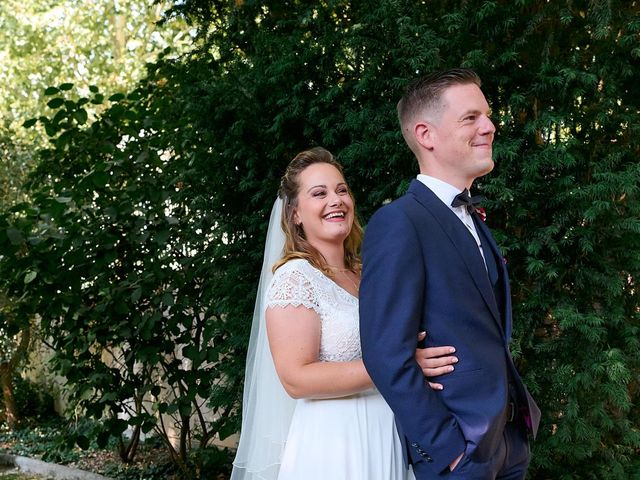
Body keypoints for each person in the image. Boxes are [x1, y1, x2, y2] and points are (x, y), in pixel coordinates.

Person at [231, 147, 459, 480]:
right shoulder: (296, 277)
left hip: (388, 432)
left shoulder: (369, 274)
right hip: (335, 442)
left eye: (341, 190)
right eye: (319, 193)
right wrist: (398, 366)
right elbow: (296, 379)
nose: (336, 200)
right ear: (295, 213)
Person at [359, 68, 541, 479]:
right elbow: (386, 354)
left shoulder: (473, 218)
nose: (490, 126)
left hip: (507, 444)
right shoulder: (399, 223)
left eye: (488, 116)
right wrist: (447, 450)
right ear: (426, 134)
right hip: (460, 456)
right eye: (471, 118)